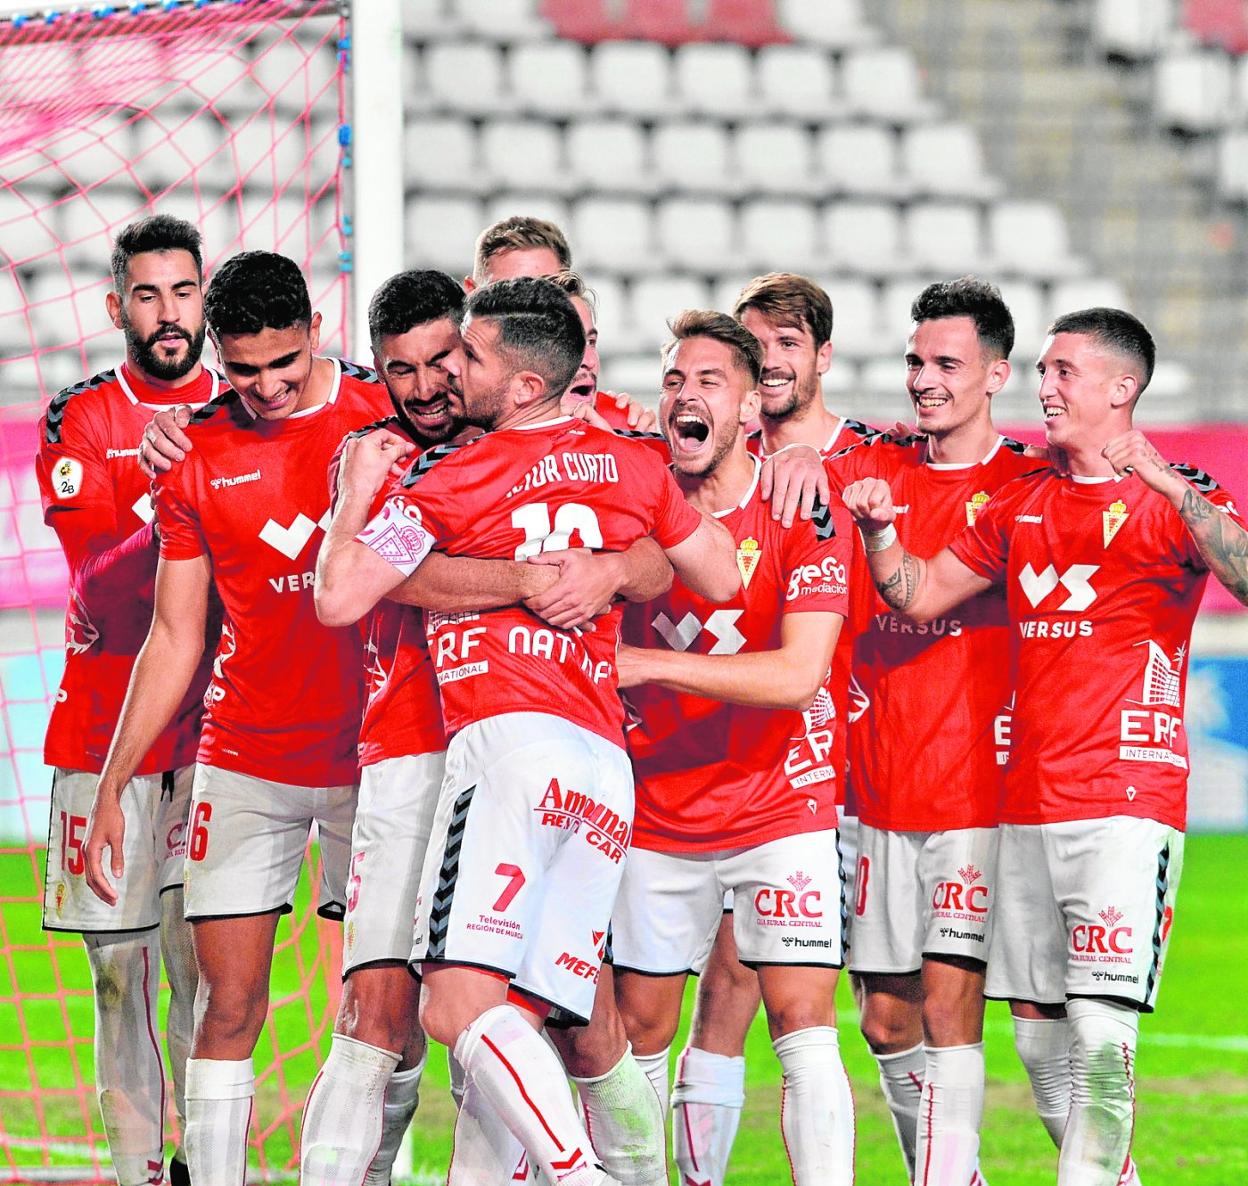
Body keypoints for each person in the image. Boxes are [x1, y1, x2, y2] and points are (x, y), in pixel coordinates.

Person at [314, 277, 738, 1186]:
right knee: (538, 1012)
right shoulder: (631, 464)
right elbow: (724, 570)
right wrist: (616, 562)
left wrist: (355, 498)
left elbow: (340, 595)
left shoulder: (451, 475)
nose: (448, 371)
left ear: (520, 387)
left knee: (453, 1003)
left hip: (505, 750)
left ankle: (575, 1172)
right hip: (601, 771)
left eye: (468, 355)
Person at [842, 307, 1248, 1186]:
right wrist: (879, 531)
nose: (1046, 386)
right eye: (1046, 370)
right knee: (1041, 1050)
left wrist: (1174, 490)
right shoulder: (1020, 504)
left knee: (1103, 1040)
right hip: (1022, 806)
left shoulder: (1178, 500)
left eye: (1065, 372)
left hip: (1126, 801)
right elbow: (918, 596)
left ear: (1120, 389)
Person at [81, 251, 394, 1186]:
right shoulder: (195, 452)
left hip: (374, 759)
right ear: (218, 352)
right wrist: (112, 785)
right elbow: (174, 637)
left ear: (315, 332)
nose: (264, 386)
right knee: (228, 1004)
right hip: (246, 757)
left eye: (284, 364)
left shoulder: (385, 416)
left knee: (380, 1011)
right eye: (244, 368)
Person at [610, 310, 855, 1186]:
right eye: (674, 380)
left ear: (752, 404)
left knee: (803, 1019)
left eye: (710, 381)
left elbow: (798, 677)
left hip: (777, 801)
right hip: (654, 807)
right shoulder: (629, 495)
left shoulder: (805, 509)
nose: (686, 394)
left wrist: (646, 662)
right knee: (639, 1027)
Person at [832, 279, 1038, 1186]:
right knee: (886, 1022)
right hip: (877, 786)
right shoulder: (873, 474)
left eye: (946, 364)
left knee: (954, 1009)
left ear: (996, 374)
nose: (924, 379)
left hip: (976, 793)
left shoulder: (1028, 487)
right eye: (916, 361)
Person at [36, 213, 218, 1186]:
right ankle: (138, 1169)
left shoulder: (240, 409)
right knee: (119, 973)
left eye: (183, 291)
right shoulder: (80, 418)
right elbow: (98, 589)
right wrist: (169, 502)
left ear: (207, 294)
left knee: (204, 963)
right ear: (117, 306)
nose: (168, 313)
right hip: (102, 725)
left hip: (216, 732)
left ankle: (201, 1157)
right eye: (147, 294)